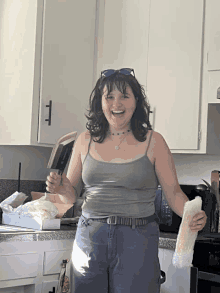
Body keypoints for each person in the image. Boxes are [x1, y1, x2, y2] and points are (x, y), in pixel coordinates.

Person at [46, 68, 207, 293]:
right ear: (100, 103)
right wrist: (62, 188)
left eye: (124, 96)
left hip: (137, 239)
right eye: (109, 96)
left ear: (136, 101)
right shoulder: (84, 140)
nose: (116, 103)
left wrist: (191, 214)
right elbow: (71, 195)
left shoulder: (155, 142)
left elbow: (174, 193)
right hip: (90, 238)